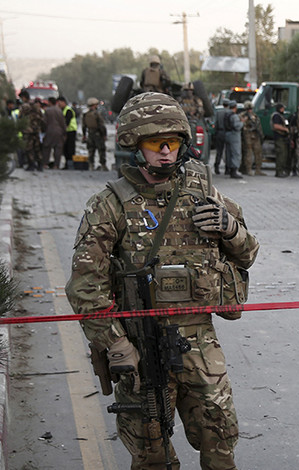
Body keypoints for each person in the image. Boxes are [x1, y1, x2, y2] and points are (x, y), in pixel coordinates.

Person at [65, 92, 259, 469]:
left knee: (220, 442)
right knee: (151, 452)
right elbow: (85, 287)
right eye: (156, 143)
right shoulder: (110, 204)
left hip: (200, 344)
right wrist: (116, 345)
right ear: (135, 145)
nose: (166, 152)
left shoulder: (204, 192)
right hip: (141, 346)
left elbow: (248, 253)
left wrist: (230, 228)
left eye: (173, 143)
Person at [82, 97, 109, 171]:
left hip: (90, 134)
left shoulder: (85, 114)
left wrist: (84, 135)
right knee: (101, 150)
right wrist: (104, 135)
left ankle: (91, 165)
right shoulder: (97, 114)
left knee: (91, 150)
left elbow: (83, 126)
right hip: (98, 134)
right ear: (94, 105)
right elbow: (101, 126)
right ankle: (103, 165)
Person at [240, 101, 265, 176]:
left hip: (256, 136)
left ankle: (258, 170)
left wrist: (261, 135)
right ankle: (249, 169)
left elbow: (259, 126)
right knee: (249, 153)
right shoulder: (242, 116)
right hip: (248, 136)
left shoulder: (255, 116)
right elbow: (242, 126)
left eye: (251, 108)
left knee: (258, 153)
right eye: (248, 109)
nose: (250, 110)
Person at [42, 97, 66, 169]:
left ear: (49, 102)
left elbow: (44, 122)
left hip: (49, 131)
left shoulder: (47, 110)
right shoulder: (59, 110)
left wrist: (43, 130)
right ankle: (56, 165)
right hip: (59, 132)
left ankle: (45, 164)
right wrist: (64, 132)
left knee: (46, 148)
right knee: (58, 148)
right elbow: (63, 123)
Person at [20, 101, 43, 171]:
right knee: (37, 148)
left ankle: (31, 164)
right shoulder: (38, 109)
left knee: (29, 148)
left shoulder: (24, 107)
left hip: (28, 131)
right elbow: (42, 119)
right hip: (36, 131)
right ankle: (40, 165)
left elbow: (20, 117)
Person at [224, 101, 243, 179]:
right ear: (235, 107)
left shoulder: (226, 114)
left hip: (227, 134)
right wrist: (242, 122)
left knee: (228, 152)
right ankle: (234, 171)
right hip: (234, 135)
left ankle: (228, 168)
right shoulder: (234, 116)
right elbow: (237, 126)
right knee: (236, 153)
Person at [272, 103, 291, 178]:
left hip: (283, 138)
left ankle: (282, 170)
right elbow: (276, 126)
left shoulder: (281, 116)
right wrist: (285, 129)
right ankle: (279, 171)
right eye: (283, 108)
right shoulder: (276, 116)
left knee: (284, 155)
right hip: (279, 137)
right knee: (281, 154)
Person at [58, 96, 77, 170]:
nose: (59, 104)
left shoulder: (68, 110)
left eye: (59, 103)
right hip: (67, 131)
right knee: (65, 149)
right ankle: (67, 164)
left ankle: (70, 165)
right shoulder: (62, 110)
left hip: (71, 131)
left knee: (70, 148)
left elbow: (67, 122)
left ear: (63, 102)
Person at [213, 101, 230, 175]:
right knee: (227, 152)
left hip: (220, 132)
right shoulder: (230, 112)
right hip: (227, 133)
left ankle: (217, 166)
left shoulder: (218, 112)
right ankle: (227, 168)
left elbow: (215, 123)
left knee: (219, 151)